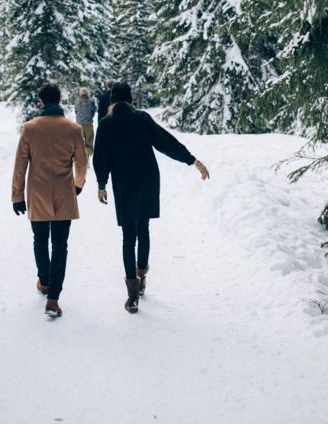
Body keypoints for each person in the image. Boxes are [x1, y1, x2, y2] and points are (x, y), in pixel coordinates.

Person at [93, 81, 210, 313]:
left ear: (112, 101)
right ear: (130, 100)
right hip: (147, 179)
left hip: (124, 183)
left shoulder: (106, 123)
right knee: (143, 229)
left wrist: (101, 183)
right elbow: (165, 142)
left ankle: (132, 294)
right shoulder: (143, 118)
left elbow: (100, 156)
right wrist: (192, 160)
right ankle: (141, 275)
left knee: (128, 235)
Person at [12, 82, 87, 318]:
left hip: (37, 194)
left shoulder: (30, 128)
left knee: (40, 239)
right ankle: (53, 298)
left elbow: (20, 165)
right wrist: (78, 184)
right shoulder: (73, 129)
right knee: (60, 245)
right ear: (60, 99)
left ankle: (44, 281)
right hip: (64, 193)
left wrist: (17, 196)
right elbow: (82, 163)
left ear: (41, 102)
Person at [74, 87, 96, 159]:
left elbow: (76, 111)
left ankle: (80, 158)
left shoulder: (77, 101)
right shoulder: (92, 101)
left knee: (79, 143)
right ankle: (87, 158)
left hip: (79, 125)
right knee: (89, 143)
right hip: (88, 124)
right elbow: (93, 112)